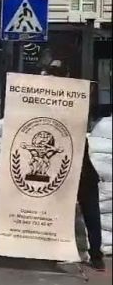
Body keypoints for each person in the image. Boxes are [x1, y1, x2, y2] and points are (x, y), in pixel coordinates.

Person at [43, 61, 105, 271]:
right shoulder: (75, 97)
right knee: (89, 214)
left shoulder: (59, 101)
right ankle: (95, 256)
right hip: (79, 171)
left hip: (76, 172)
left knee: (70, 213)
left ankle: (77, 253)